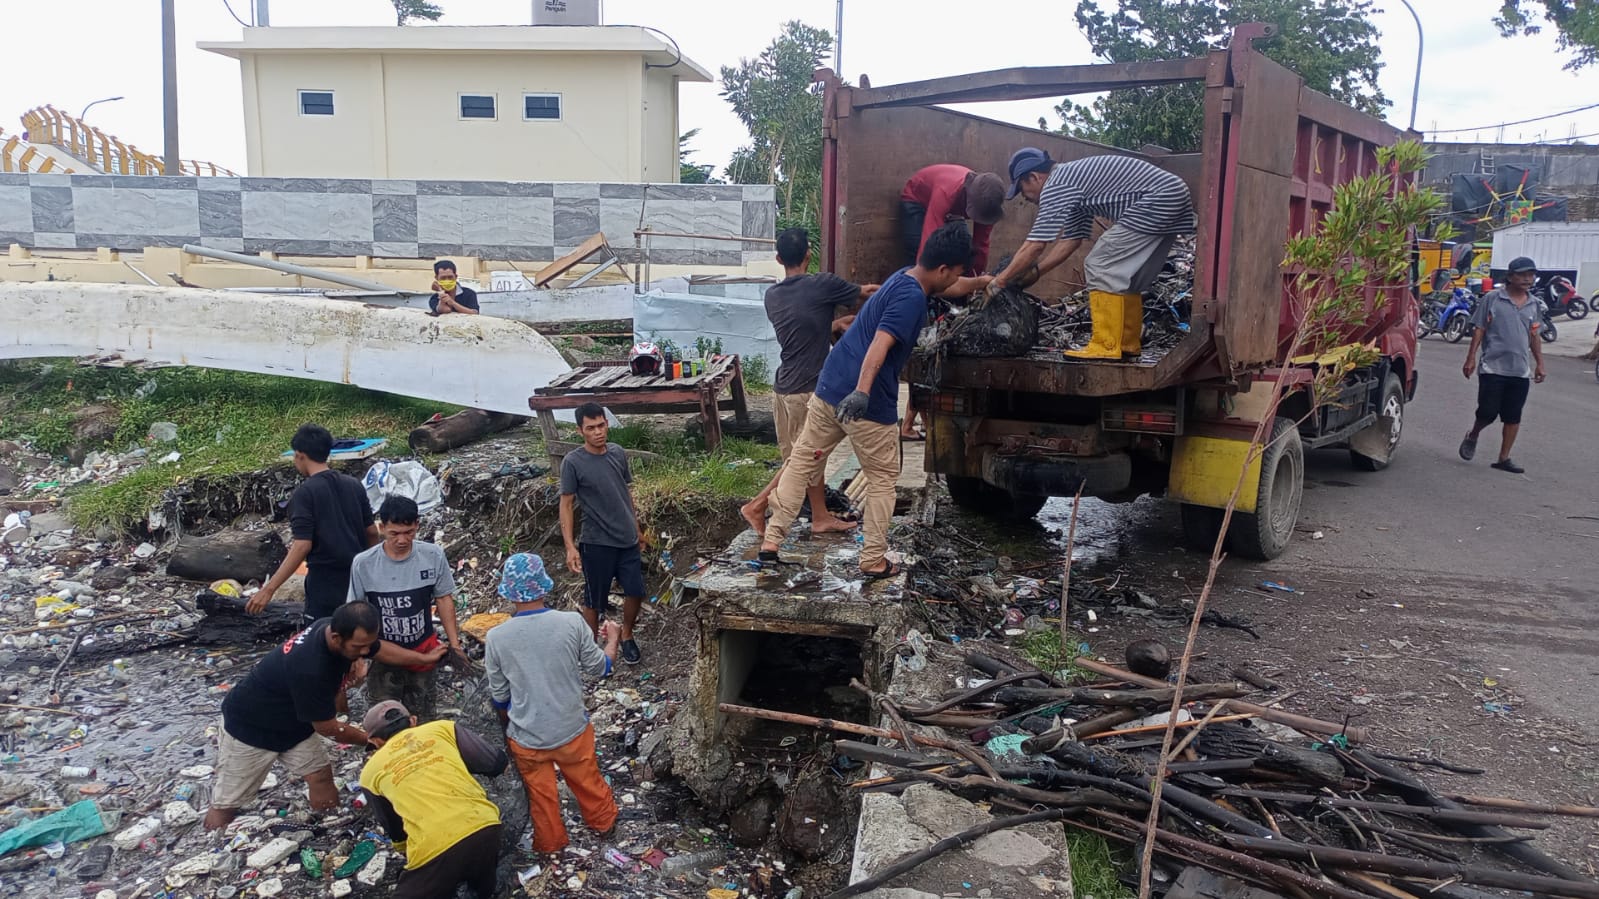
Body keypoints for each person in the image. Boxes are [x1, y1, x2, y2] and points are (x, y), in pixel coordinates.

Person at [759, 222, 974, 579]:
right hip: (866, 400)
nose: (956, 282)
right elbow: (881, 344)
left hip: (829, 384)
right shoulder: (911, 299)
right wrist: (862, 391)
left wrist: (986, 283)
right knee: (883, 479)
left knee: (801, 461)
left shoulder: (903, 277)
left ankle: (771, 542)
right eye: (956, 275)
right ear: (942, 269)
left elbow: (958, 287)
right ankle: (873, 559)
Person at [204, 601, 446, 830]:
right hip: (250, 727)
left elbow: (379, 650)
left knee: (320, 774)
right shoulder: (310, 667)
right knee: (228, 802)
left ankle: (329, 824)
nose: (365, 652)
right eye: (358, 648)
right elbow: (328, 728)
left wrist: (423, 658)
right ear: (336, 638)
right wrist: (372, 739)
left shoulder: (333, 628)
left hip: (294, 723)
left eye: (367, 645)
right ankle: (213, 842)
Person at [992, 149, 1195, 361]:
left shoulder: (1056, 185)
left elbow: (1035, 245)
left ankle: (1105, 345)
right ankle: (1127, 342)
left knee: (1100, 264)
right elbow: (1071, 240)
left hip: (1158, 197)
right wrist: (1038, 272)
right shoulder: (1073, 183)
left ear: (1035, 177)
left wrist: (1000, 281)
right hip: (1172, 194)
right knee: (1129, 277)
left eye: (1022, 189)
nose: (1024, 196)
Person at [739, 228, 877, 535]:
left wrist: (834, 325)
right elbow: (867, 292)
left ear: (778, 258)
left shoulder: (772, 296)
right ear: (809, 254)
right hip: (807, 389)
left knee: (800, 458)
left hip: (783, 388)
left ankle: (818, 516)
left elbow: (802, 329)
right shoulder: (822, 285)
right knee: (805, 458)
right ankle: (758, 506)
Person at [484, 553, 620, 854]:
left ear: (508, 592)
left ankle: (551, 845)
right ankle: (603, 824)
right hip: (571, 729)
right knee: (587, 781)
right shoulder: (572, 623)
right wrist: (613, 638)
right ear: (544, 588)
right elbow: (601, 668)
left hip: (527, 738)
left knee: (541, 798)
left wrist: (512, 727)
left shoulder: (496, 638)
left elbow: (500, 697)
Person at [359, 700, 507, 899]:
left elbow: (394, 828)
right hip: (486, 825)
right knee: (481, 885)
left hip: (436, 846)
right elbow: (496, 763)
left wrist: (408, 855)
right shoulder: (442, 729)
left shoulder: (370, 773)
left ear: (376, 741)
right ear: (413, 721)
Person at [347, 496, 468, 721]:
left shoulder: (432, 556)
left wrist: (454, 644)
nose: (402, 540)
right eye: (394, 533)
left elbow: (443, 599)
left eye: (409, 532)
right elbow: (356, 610)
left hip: (423, 649)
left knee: (422, 715)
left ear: (417, 526)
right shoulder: (364, 563)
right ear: (381, 528)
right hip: (383, 653)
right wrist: (357, 656)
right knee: (385, 718)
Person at [248, 424, 379, 625]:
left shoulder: (304, 494)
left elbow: (302, 545)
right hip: (358, 577)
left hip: (324, 583)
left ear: (300, 455)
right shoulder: (354, 485)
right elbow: (371, 532)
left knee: (323, 638)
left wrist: (268, 589)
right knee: (357, 636)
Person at [559, 402, 646, 664]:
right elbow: (566, 504)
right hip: (596, 542)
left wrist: (637, 528)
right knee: (594, 598)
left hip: (627, 539)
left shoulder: (618, 453)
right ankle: (590, 645)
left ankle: (627, 635)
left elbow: (625, 493)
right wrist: (570, 547)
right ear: (580, 431)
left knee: (635, 590)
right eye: (590, 428)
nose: (598, 432)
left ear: (607, 424)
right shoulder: (572, 462)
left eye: (601, 425)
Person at [1459, 256, 1546, 473]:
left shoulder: (1534, 304)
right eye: (1523, 275)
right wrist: (1470, 358)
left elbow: (1535, 335)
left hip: (1520, 370)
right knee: (1487, 412)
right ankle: (1474, 434)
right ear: (1510, 276)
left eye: (1531, 275)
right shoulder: (1493, 298)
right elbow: (1479, 328)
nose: (1528, 279)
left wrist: (1540, 364)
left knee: (1513, 415)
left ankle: (1503, 458)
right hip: (1492, 367)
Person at [900, 164, 1006, 275]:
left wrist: (975, 280)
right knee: (917, 247)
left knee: (962, 248)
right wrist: (923, 279)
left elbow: (981, 245)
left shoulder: (989, 205)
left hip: (949, 210)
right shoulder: (946, 191)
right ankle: (913, 285)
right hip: (917, 199)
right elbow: (929, 238)